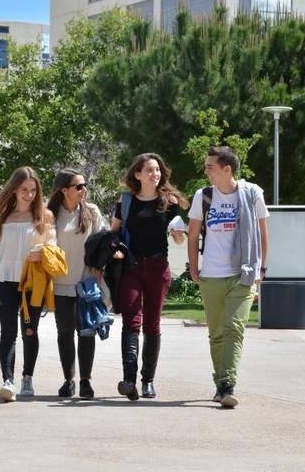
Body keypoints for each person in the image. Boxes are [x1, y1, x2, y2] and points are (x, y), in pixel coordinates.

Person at [187, 145, 269, 408]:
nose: (206, 171)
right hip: (211, 274)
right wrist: (193, 265)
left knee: (235, 327)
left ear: (227, 169)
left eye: (210, 166)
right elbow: (193, 233)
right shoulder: (204, 195)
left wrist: (261, 268)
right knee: (217, 333)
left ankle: (228, 384)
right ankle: (220, 383)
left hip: (242, 272)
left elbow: (262, 233)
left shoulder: (252, 193)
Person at [0, 166, 56, 402]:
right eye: (23, 190)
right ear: (14, 190)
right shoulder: (4, 216)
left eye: (32, 190)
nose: (28, 194)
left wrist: (42, 253)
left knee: (30, 331)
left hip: (32, 281)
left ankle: (27, 378)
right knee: (8, 332)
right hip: (5, 280)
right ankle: (7, 381)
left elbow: (54, 247)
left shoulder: (45, 216)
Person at [111, 153, 188, 400]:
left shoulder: (170, 202)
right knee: (131, 322)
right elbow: (113, 234)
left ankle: (148, 381)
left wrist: (179, 235)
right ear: (137, 174)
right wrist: (115, 249)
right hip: (131, 268)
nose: (155, 174)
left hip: (157, 267)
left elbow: (179, 235)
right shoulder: (125, 202)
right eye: (149, 170)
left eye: (157, 170)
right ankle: (129, 379)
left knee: (152, 324)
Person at [47, 168, 107, 399]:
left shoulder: (91, 211)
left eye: (85, 185)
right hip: (60, 283)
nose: (84, 190)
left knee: (86, 332)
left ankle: (85, 382)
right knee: (64, 333)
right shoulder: (51, 213)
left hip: (86, 283)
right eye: (79, 186)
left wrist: (99, 271)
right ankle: (68, 380)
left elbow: (102, 242)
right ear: (64, 190)